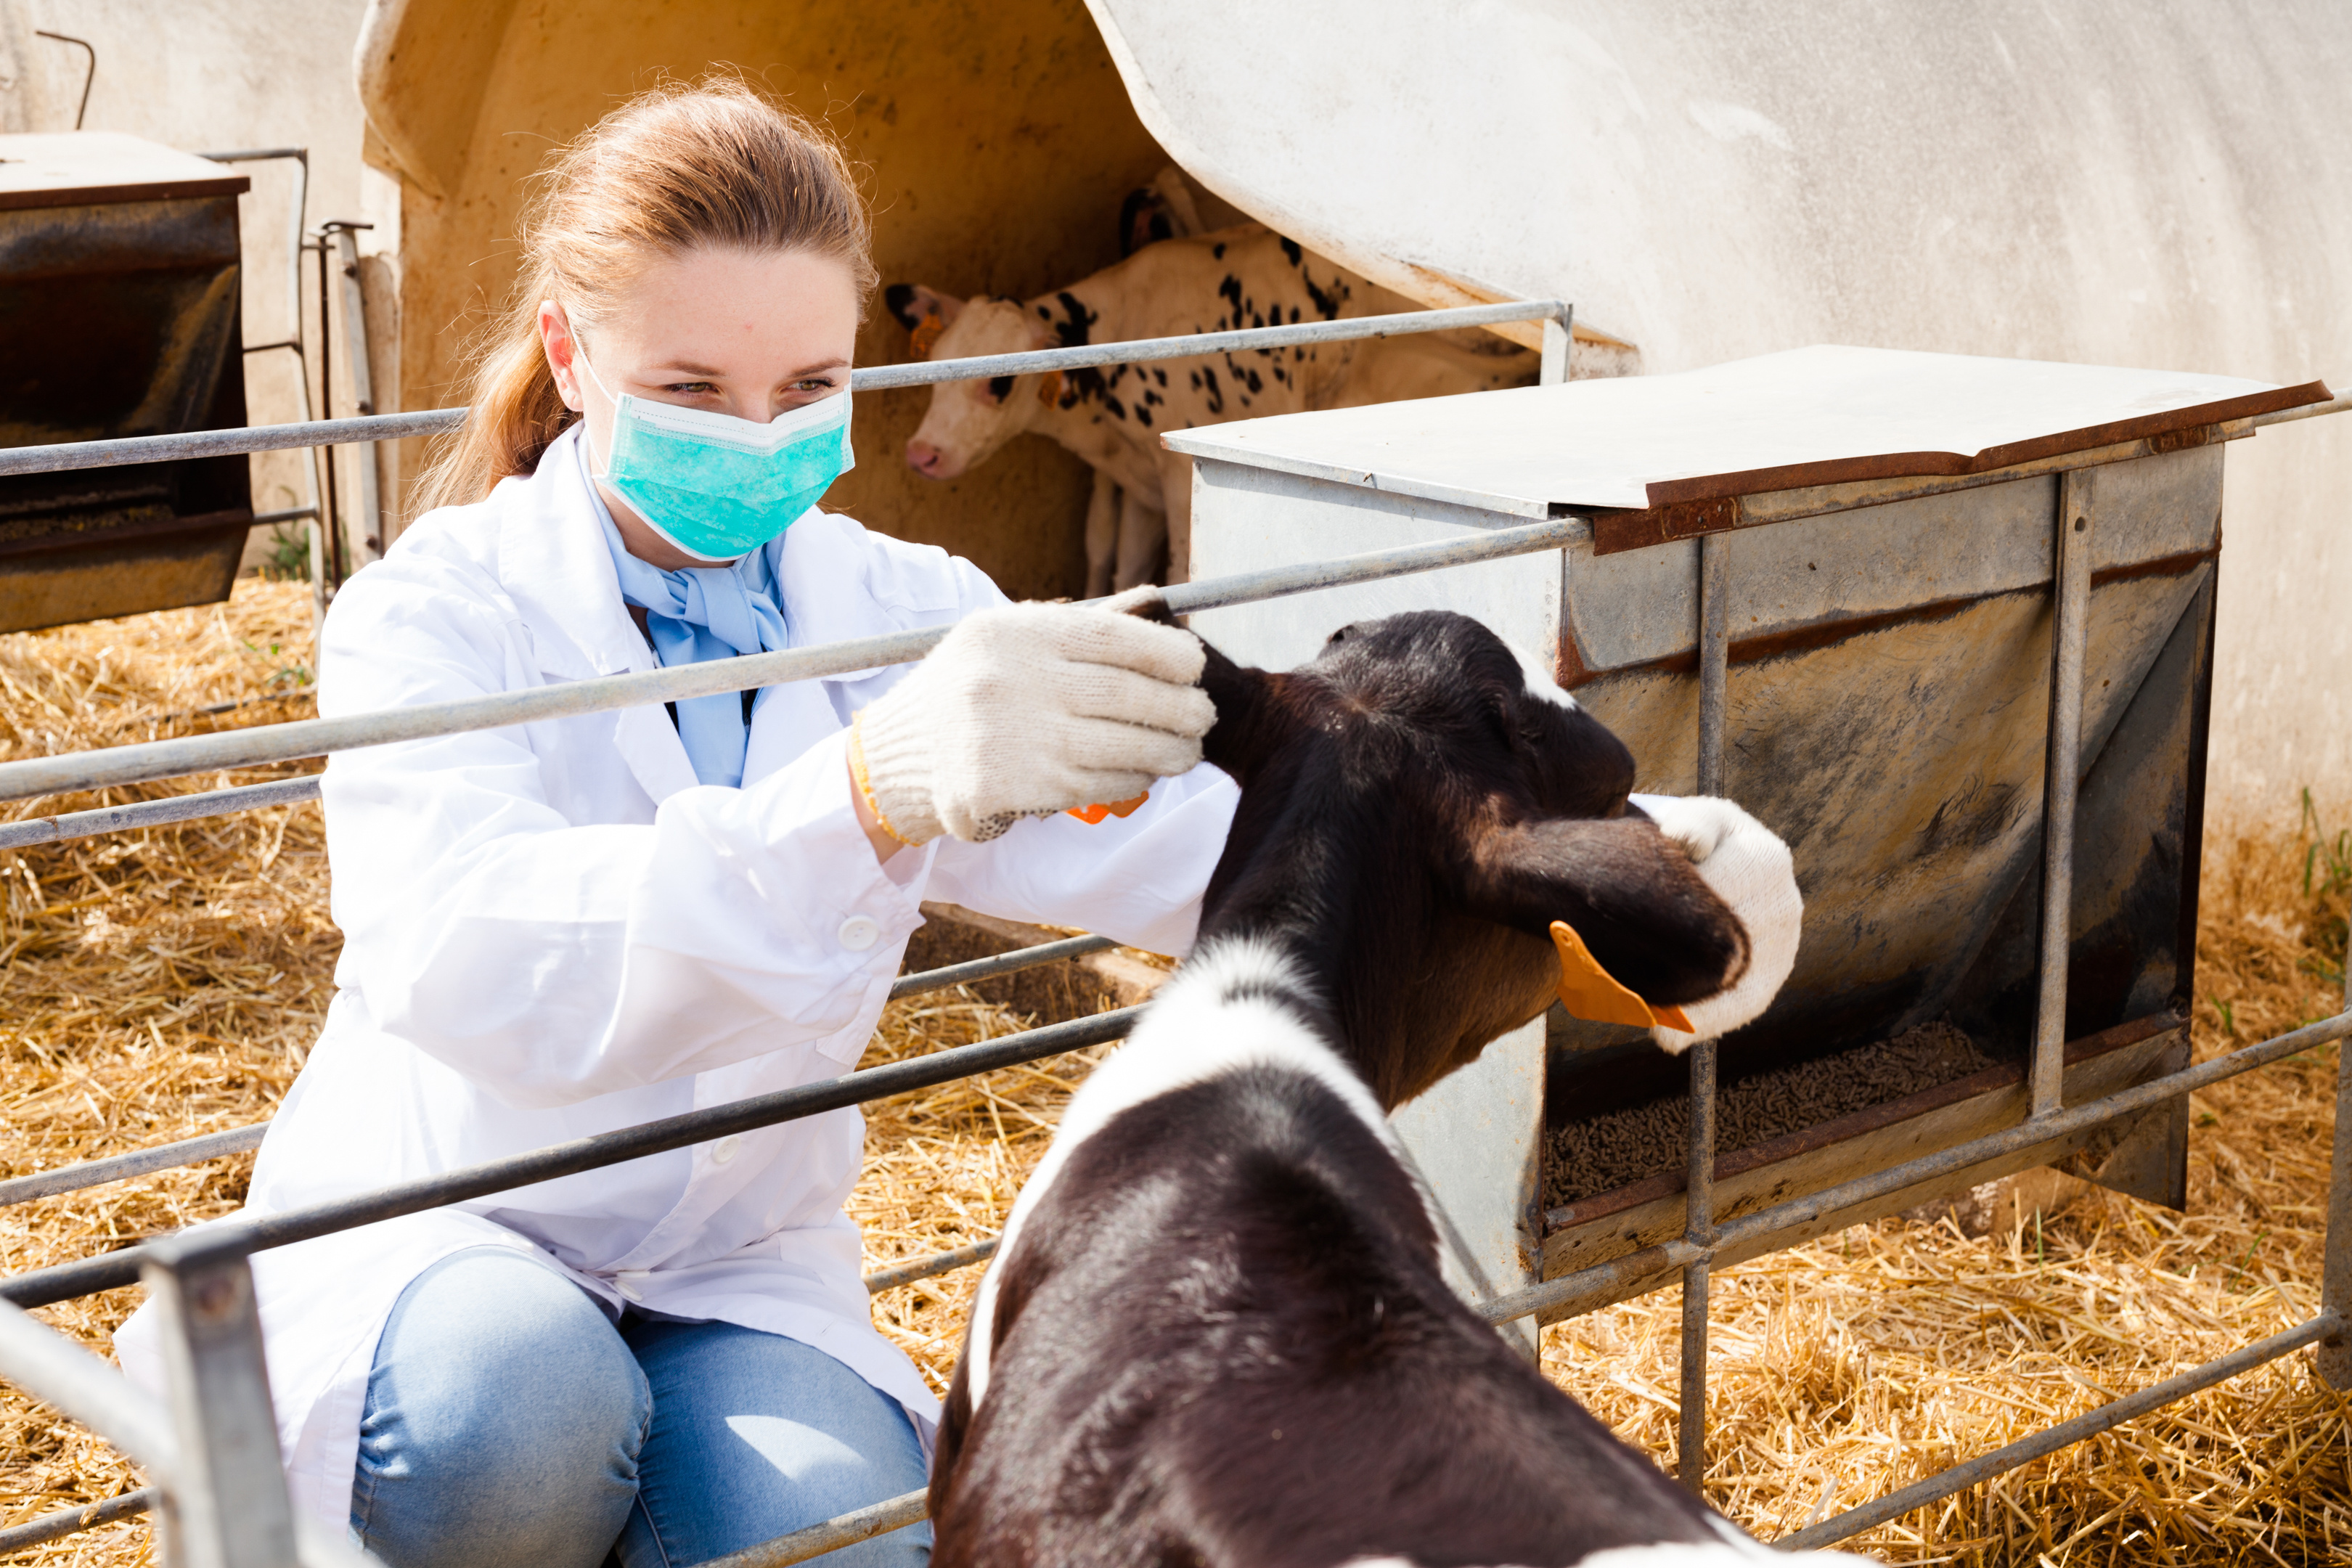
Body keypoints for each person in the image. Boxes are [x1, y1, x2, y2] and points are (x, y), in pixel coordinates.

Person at [116, 80, 1236, 1568]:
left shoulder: (904, 612)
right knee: (519, 1425)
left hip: (731, 1259)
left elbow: (1174, 840)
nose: (759, 438)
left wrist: (1457, 831)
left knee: (849, 1549)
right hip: (450, 1232)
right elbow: (479, 963)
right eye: (695, 390)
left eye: (809, 387)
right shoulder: (430, 614)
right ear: (570, 357)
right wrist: (861, 796)